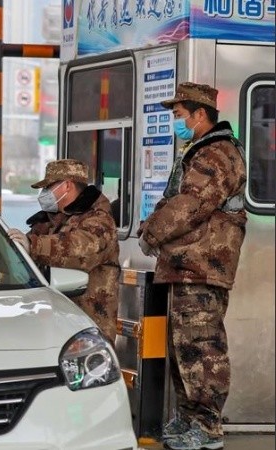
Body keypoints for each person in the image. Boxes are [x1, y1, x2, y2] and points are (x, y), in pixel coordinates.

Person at [137, 82, 246, 450]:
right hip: (188, 265)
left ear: (201, 115)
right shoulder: (199, 150)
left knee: (202, 347)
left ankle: (207, 426)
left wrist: (151, 232)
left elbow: (189, 205)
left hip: (203, 265)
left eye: (180, 115)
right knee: (185, 347)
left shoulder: (216, 155)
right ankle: (189, 419)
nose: (176, 122)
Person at [7, 159, 120, 344]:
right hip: (54, 320)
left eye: (49, 187)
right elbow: (20, 252)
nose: (44, 194)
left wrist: (33, 245)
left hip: (87, 323)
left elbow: (80, 248)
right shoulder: (49, 221)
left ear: (67, 185)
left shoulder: (99, 220)